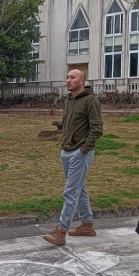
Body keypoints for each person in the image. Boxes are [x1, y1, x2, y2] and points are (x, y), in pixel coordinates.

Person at [43, 69, 103, 246]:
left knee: (70, 191)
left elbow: (97, 129)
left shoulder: (91, 100)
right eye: (67, 77)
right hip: (67, 150)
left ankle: (61, 231)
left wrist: (84, 150)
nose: (68, 80)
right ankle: (87, 225)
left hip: (80, 153)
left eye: (72, 77)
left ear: (82, 81)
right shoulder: (69, 100)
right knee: (78, 188)